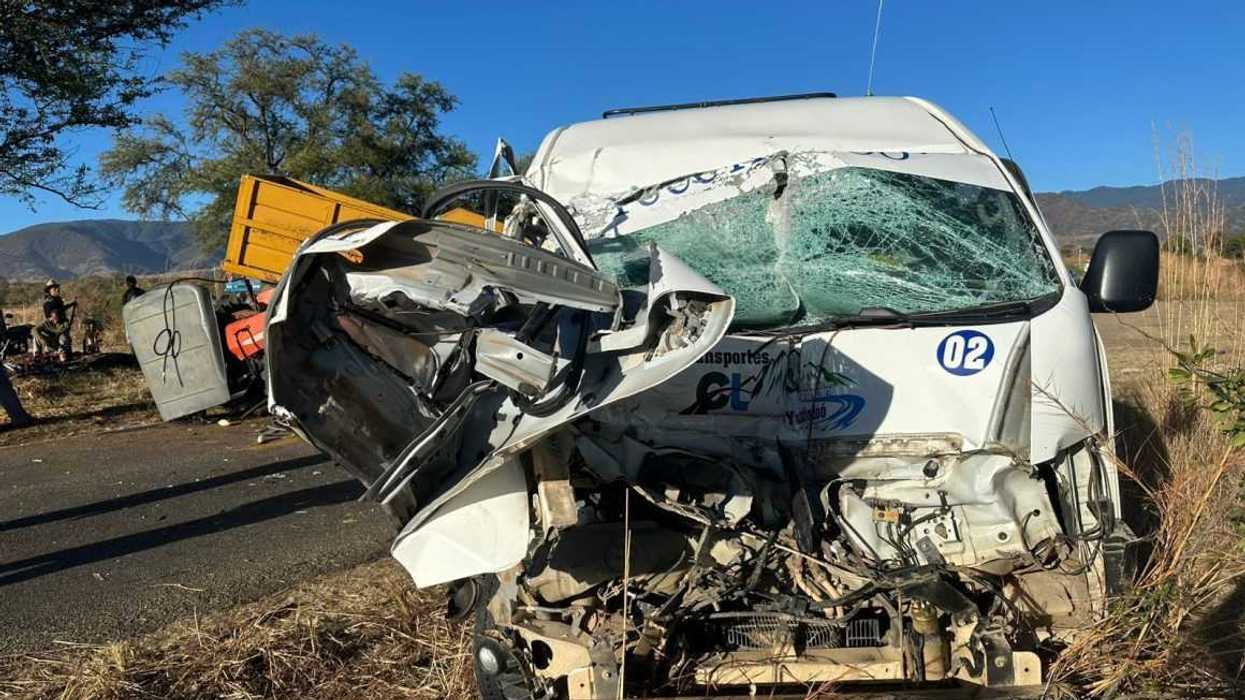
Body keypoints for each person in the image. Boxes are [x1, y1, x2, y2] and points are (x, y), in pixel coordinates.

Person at [36, 280, 75, 360]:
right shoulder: (48, 302)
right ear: (50, 290)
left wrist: (71, 304)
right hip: (53, 326)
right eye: (54, 288)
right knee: (38, 339)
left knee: (64, 340)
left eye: (57, 288)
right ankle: (38, 355)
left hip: (61, 325)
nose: (57, 290)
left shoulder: (58, 299)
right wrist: (42, 339)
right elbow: (52, 315)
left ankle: (64, 355)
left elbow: (62, 309)